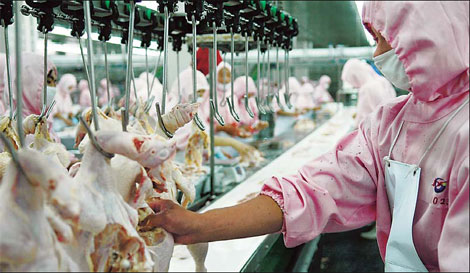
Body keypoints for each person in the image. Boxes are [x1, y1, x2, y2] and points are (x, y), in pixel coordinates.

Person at [140, 2, 469, 271]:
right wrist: (200, 225)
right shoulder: (390, 124)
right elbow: (316, 190)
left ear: (428, 36)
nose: (377, 54)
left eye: (385, 39)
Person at [341, 59, 397, 126]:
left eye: (352, 81)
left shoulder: (369, 88)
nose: (354, 86)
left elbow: (382, 115)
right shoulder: (381, 80)